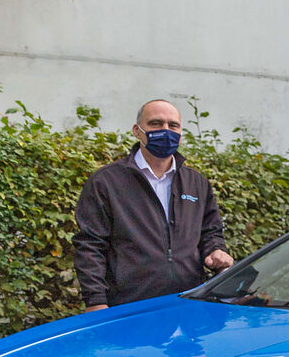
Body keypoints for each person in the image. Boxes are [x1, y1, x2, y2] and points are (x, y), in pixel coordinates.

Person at [73, 99, 233, 311]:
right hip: (129, 307)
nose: (165, 130)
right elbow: (90, 246)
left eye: (173, 125)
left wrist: (215, 250)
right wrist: (96, 302)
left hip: (187, 307)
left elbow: (210, 232)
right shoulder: (106, 182)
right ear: (137, 131)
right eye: (156, 123)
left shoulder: (197, 183)